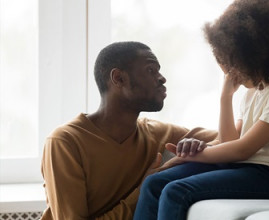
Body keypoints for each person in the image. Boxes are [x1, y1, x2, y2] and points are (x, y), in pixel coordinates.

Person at [133, 0, 269, 219]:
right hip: (248, 167)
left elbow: (241, 150)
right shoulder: (257, 90)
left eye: (232, 66)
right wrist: (225, 97)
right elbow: (230, 140)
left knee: (177, 192)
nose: (230, 74)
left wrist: (197, 156)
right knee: (154, 183)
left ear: (254, 56)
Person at [40, 41, 218, 219]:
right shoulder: (65, 142)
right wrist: (145, 189)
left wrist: (199, 145)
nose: (162, 78)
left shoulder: (159, 134)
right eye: (151, 70)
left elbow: (233, 138)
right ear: (118, 78)